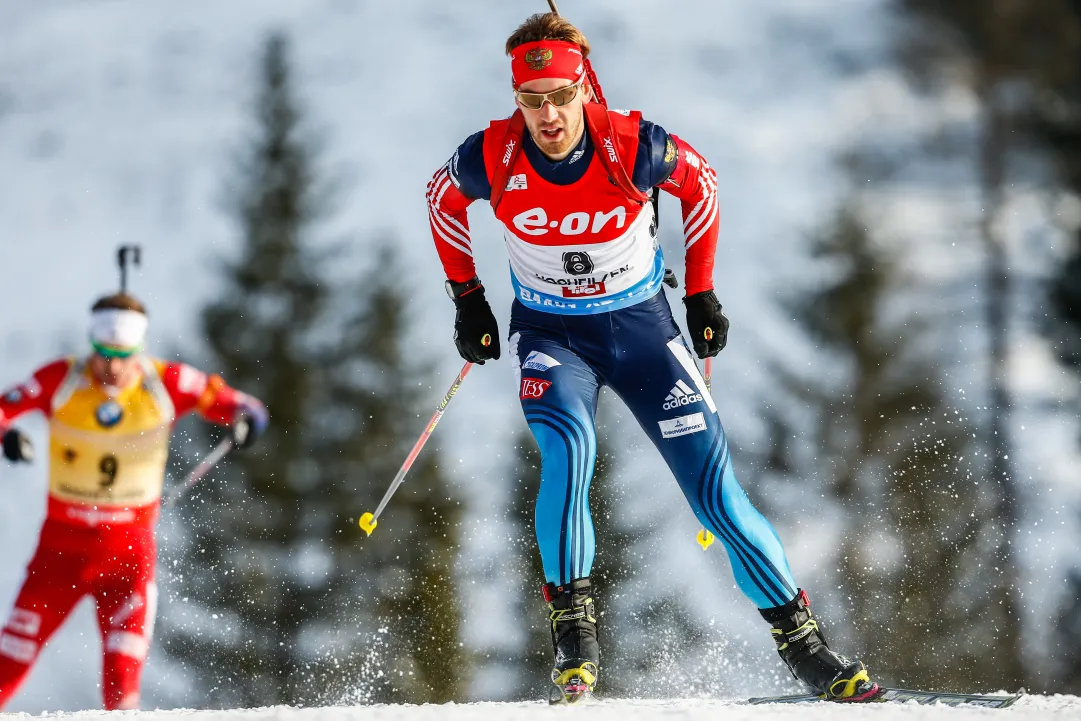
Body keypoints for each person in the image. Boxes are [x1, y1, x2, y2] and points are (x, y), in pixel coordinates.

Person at [426, 12, 879, 705]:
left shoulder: (630, 143)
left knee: (714, 495)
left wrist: (700, 294)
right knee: (568, 448)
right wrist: (468, 298)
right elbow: (440, 202)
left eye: (559, 96)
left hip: (641, 332)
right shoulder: (492, 155)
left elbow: (702, 187)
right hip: (552, 337)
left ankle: (805, 644)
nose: (546, 115)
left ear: (584, 86)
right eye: (530, 100)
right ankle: (574, 637)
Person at [0, 292, 268, 710]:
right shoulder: (63, 378)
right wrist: (9, 435)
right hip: (59, 551)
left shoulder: (165, 382)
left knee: (122, 683)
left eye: (123, 355)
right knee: (9, 663)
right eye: (103, 354)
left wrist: (246, 420)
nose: (112, 367)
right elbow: (4, 407)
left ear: (138, 350)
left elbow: (244, 405)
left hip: (126, 555)